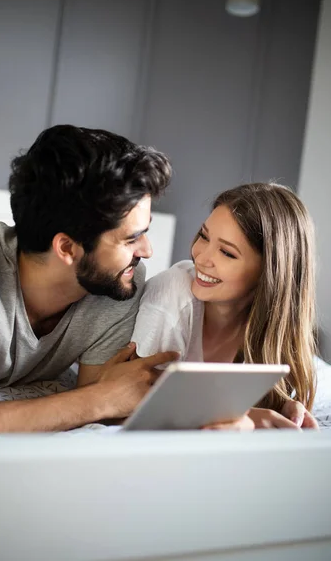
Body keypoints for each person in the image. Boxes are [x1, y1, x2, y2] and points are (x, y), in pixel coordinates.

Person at [0, 125, 182, 433]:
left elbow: (94, 416)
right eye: (131, 239)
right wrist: (98, 399)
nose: (147, 250)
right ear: (67, 247)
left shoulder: (117, 283)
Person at [131, 183, 319, 430]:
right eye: (204, 236)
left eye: (227, 253)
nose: (201, 258)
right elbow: (136, 405)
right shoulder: (172, 293)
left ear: (269, 273)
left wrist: (282, 406)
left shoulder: (273, 327)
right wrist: (250, 417)